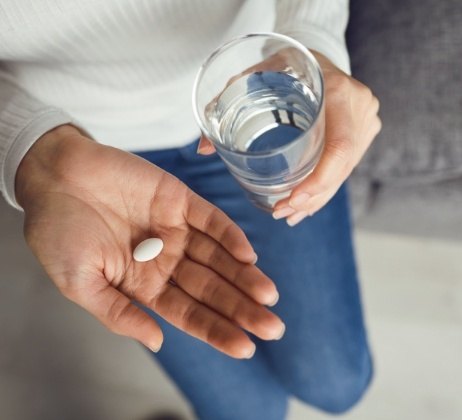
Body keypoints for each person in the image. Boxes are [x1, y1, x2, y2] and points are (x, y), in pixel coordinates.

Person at [0, 1, 381, 419]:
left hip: (254, 102)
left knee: (337, 385)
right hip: (87, 150)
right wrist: (37, 155)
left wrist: (312, 48)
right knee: (250, 413)